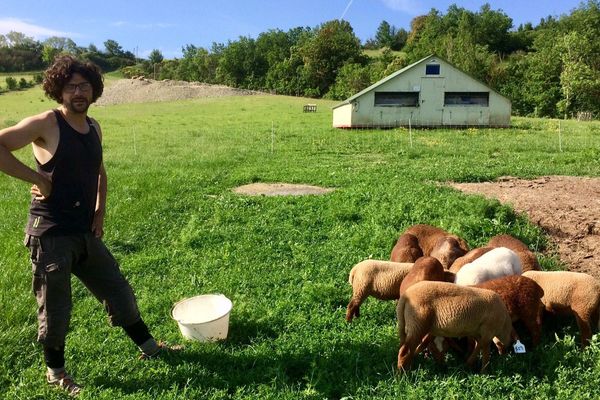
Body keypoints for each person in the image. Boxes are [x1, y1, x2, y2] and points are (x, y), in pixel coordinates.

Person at [0, 55, 173, 396]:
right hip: (51, 234)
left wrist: (100, 210)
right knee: (56, 306)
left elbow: (99, 170)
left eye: (84, 86)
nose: (78, 92)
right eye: (70, 86)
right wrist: (36, 177)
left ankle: (150, 347)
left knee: (118, 290)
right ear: (58, 90)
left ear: (94, 90)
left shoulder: (94, 127)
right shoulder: (46, 123)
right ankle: (56, 372)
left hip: (84, 231)